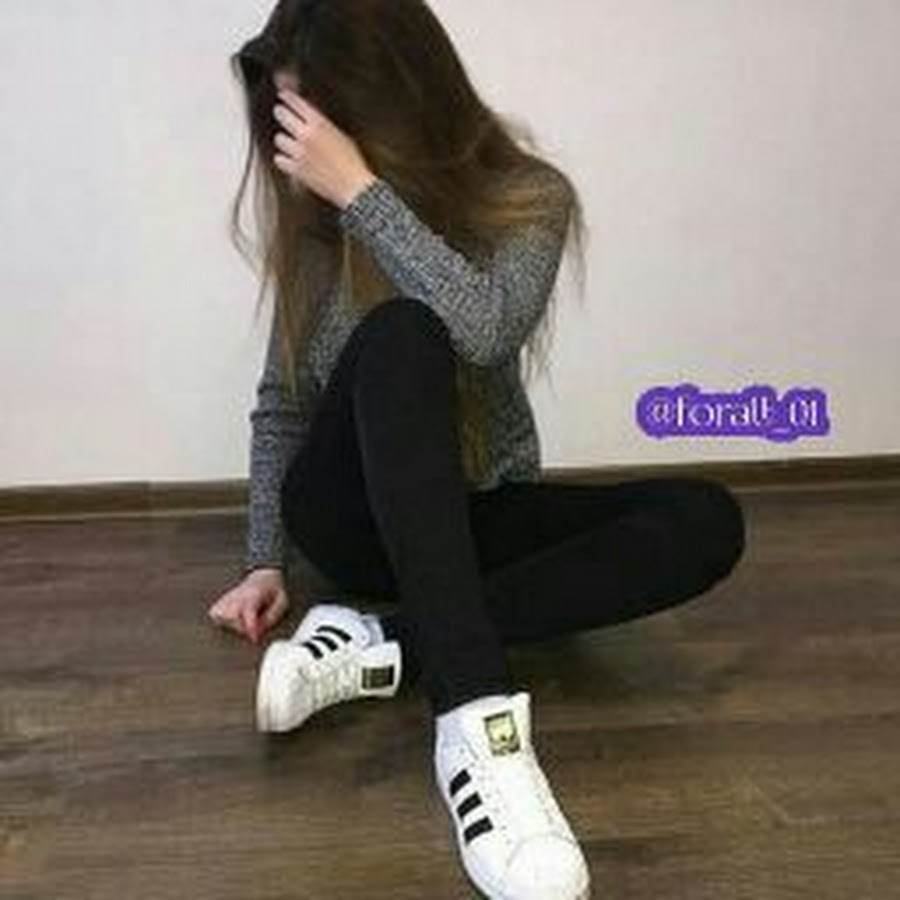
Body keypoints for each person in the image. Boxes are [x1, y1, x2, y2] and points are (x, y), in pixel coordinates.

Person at [207, 2, 746, 898]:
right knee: (400, 335)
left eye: (317, 125)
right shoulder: (317, 229)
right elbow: (282, 406)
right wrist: (264, 560)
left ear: (394, 99)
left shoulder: (530, 201)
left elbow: (487, 330)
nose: (301, 153)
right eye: (289, 127)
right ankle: (474, 718)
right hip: (348, 519)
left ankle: (380, 643)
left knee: (705, 519)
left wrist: (365, 196)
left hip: (467, 509)